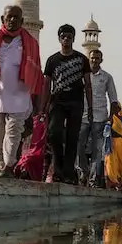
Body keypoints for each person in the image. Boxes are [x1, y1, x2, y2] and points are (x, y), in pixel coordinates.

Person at [0, 5, 43, 173]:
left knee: (14, 131)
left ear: (22, 21)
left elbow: (37, 73)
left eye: (16, 17)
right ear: (3, 19)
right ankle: (2, 164)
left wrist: (36, 104)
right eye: (9, 17)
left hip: (20, 94)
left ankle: (8, 166)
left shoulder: (30, 43)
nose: (13, 20)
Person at [40, 24, 93, 184]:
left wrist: (90, 107)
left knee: (72, 137)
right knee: (54, 134)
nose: (66, 39)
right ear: (59, 38)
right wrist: (42, 107)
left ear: (73, 39)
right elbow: (46, 85)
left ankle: (68, 173)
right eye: (63, 36)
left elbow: (88, 84)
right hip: (57, 101)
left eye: (69, 37)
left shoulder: (82, 59)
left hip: (76, 102)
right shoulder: (52, 60)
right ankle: (58, 168)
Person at [77, 48, 118, 186]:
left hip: (100, 117)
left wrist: (111, 117)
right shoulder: (83, 76)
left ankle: (93, 179)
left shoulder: (106, 77)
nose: (94, 60)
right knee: (79, 146)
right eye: (92, 58)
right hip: (83, 116)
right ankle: (84, 171)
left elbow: (113, 99)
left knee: (97, 149)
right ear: (89, 59)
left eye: (97, 58)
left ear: (101, 60)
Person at [103, 103, 122, 191]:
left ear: (119, 109)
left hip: (120, 143)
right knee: (111, 163)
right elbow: (105, 132)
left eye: (116, 108)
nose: (115, 109)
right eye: (113, 108)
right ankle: (112, 183)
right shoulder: (109, 119)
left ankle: (119, 183)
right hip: (111, 144)